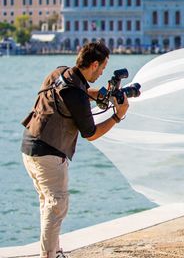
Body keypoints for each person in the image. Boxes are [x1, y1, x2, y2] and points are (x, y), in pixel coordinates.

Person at [20, 42, 129, 258]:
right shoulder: (77, 96)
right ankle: (50, 255)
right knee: (57, 204)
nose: (101, 73)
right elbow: (91, 134)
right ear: (94, 64)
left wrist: (105, 95)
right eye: (102, 68)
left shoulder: (60, 73)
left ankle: (53, 251)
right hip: (49, 153)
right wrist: (118, 115)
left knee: (49, 203)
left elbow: (81, 92)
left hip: (29, 146)